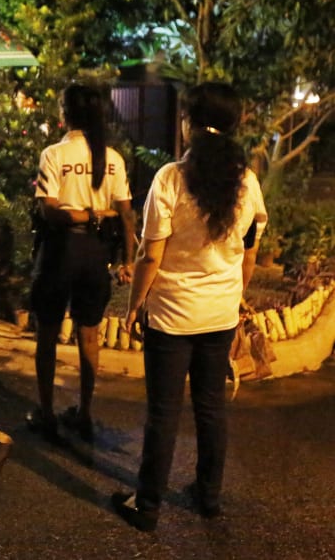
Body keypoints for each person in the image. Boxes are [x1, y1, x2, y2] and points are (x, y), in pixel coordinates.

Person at [111, 82, 268, 532]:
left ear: (191, 124)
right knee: (211, 406)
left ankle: (149, 505)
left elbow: (149, 254)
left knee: (163, 411)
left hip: (172, 316)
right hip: (219, 315)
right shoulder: (247, 182)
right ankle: (209, 497)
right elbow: (251, 250)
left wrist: (134, 303)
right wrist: (235, 296)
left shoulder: (170, 178)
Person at [27, 83, 136, 443]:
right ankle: (85, 413)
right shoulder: (113, 158)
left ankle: (46, 413)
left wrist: (83, 215)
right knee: (89, 334)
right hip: (96, 254)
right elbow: (126, 215)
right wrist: (128, 258)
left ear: (64, 113)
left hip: (60, 252)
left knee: (47, 331)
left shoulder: (54, 155)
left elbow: (49, 210)